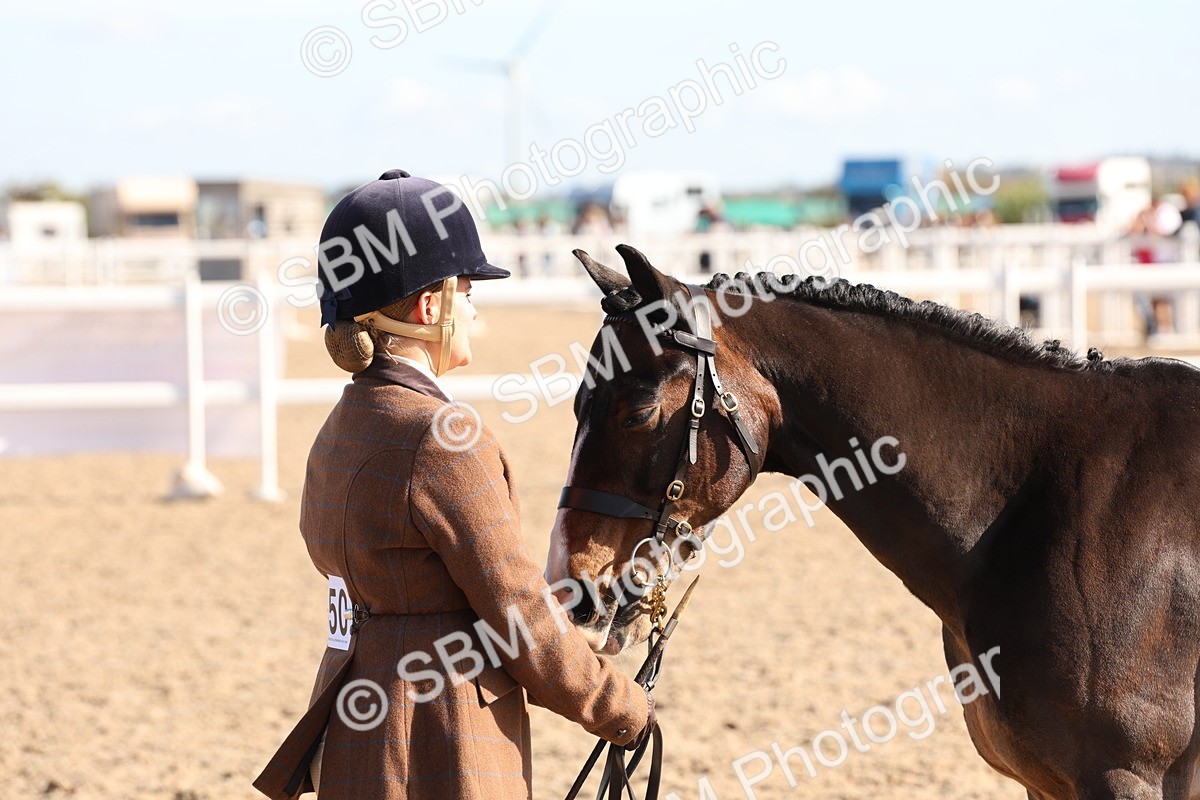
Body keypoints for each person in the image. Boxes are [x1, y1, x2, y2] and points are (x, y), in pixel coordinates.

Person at [253, 170, 654, 800]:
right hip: (439, 738)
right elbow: (516, 610)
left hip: (354, 722)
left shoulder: (339, 425)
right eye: (466, 291)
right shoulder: (444, 439)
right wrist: (618, 705)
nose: (471, 307)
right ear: (429, 307)